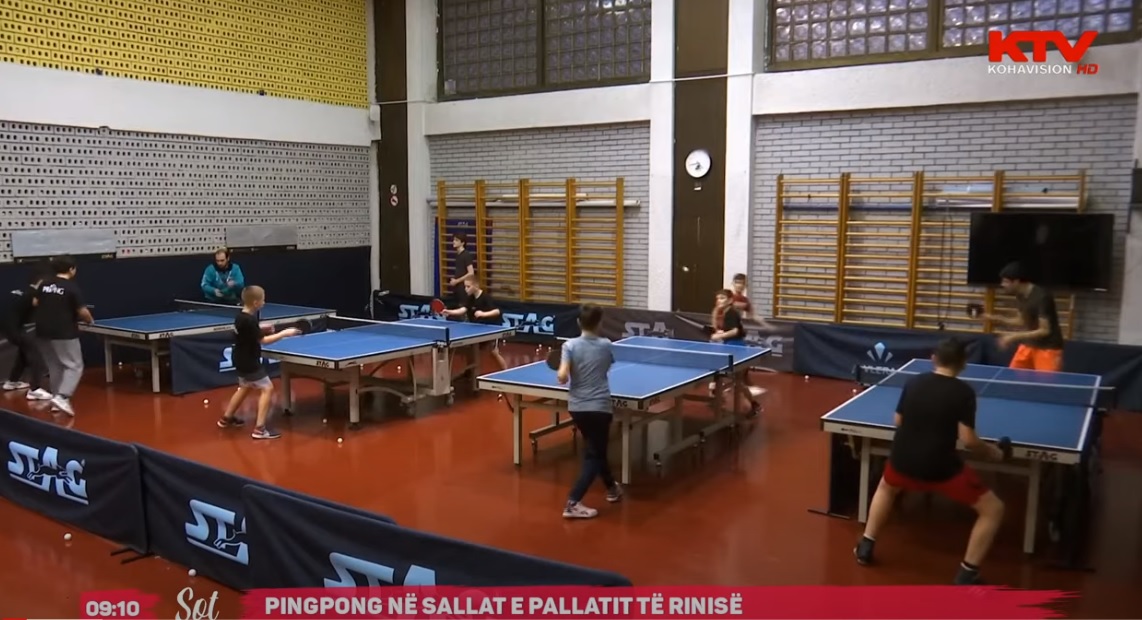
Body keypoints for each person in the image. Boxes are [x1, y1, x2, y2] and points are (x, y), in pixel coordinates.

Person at [853, 338, 1007, 585]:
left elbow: (898, 420)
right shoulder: (964, 393)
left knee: (886, 488)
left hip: (901, 460)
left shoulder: (914, 382)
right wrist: (992, 452)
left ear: (934, 359)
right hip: (941, 469)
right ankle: (968, 572)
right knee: (994, 509)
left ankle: (866, 546)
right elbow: (968, 440)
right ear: (963, 364)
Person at [557, 303, 622, 518]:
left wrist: (563, 373)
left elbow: (563, 375)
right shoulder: (606, 345)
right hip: (600, 407)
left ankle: (612, 488)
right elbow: (607, 365)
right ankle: (573, 502)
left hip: (578, 408)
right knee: (594, 455)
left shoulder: (569, 346)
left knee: (596, 449)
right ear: (600, 323)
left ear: (578, 322)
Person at [216, 286, 301, 439]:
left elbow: (248, 333)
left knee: (245, 387)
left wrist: (262, 329)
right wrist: (284, 333)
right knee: (267, 388)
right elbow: (263, 341)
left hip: (239, 358)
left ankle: (226, 418)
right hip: (249, 360)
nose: (264, 302)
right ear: (256, 303)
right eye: (263, 299)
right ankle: (260, 430)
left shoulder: (240, 316)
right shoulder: (250, 320)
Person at [34, 255, 93, 417]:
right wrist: (89, 320)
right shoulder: (71, 288)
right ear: (71, 269)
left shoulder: (44, 284)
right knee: (74, 365)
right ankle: (62, 397)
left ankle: (56, 401)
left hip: (42, 331)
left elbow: (35, 303)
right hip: (63, 332)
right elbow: (82, 311)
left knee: (55, 366)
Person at [980, 262, 1064, 371]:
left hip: (1048, 348)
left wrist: (1013, 337)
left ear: (1016, 281)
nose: (1002, 284)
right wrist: (993, 318)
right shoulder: (1020, 295)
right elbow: (1021, 320)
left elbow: (1044, 330)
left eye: (1006, 281)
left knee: (1045, 382)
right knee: (1012, 376)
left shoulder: (1042, 297)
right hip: (1029, 345)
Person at [2, 266, 51, 400]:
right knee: (36, 358)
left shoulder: (23, 292)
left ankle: (12, 382)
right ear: (41, 282)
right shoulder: (33, 294)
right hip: (18, 331)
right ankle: (35, 389)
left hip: (9, 330)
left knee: (23, 356)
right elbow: (41, 306)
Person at [710, 289, 761, 417]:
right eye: (718, 298)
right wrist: (721, 332)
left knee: (736, 382)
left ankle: (753, 405)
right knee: (735, 381)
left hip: (736, 348)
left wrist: (719, 336)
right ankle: (752, 404)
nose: (719, 301)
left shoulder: (731, 313)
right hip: (729, 347)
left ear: (730, 300)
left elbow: (735, 331)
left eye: (722, 298)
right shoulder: (724, 312)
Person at [442, 275, 506, 372]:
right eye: (465, 286)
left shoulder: (485, 297)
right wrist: (449, 312)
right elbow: (462, 310)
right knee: (471, 349)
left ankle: (506, 372)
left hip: (492, 328)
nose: (466, 289)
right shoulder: (470, 298)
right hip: (478, 329)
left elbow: (497, 311)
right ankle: (470, 372)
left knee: (494, 352)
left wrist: (483, 314)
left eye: (468, 286)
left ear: (476, 286)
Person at [447, 233, 475, 308]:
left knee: (463, 307)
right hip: (457, 287)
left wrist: (457, 281)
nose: (454, 242)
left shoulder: (466, 255)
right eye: (453, 240)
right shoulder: (458, 255)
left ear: (462, 243)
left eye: (456, 240)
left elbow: (471, 273)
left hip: (463, 287)